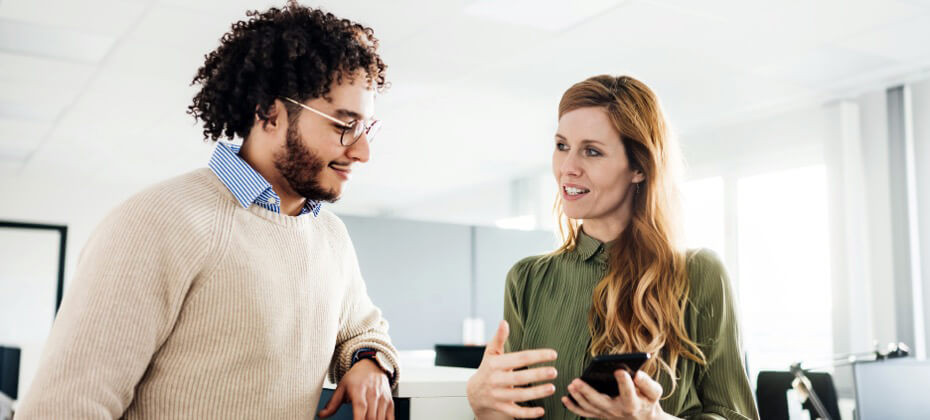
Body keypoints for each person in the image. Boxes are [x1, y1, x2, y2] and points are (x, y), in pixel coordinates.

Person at [15, 3, 399, 419]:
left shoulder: (330, 237)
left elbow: (364, 328)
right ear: (269, 112)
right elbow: (64, 407)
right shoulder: (156, 221)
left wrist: (368, 360)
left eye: (366, 128)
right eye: (344, 125)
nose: (361, 152)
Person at [466, 75, 759, 420]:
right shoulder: (527, 279)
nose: (568, 168)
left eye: (591, 151)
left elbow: (737, 414)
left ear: (638, 167)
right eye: (562, 146)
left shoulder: (698, 274)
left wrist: (653, 419)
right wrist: (485, 408)